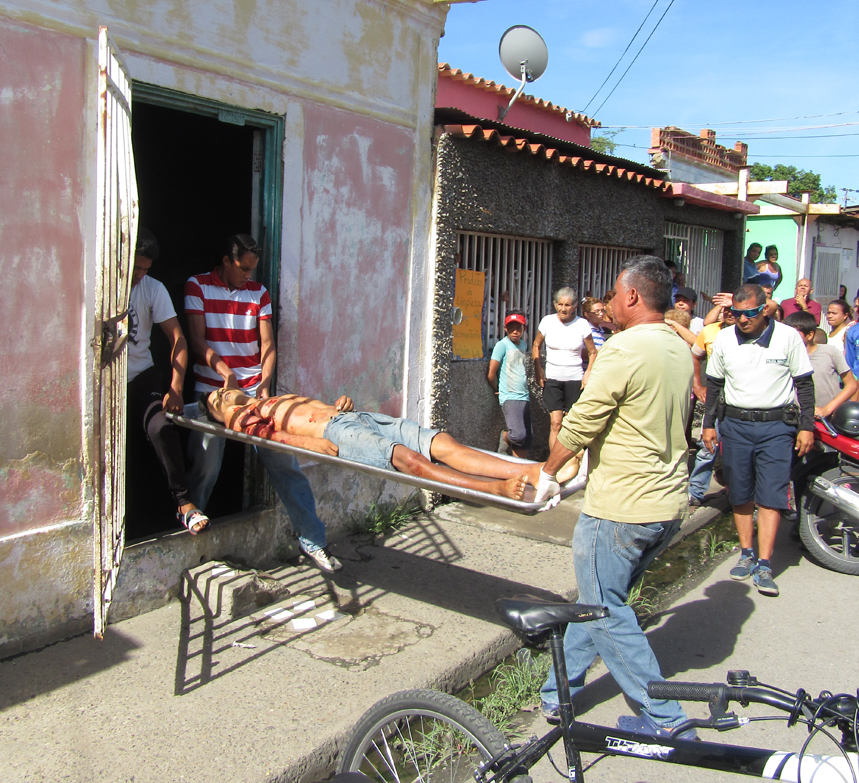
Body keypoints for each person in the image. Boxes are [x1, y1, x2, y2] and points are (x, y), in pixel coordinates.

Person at [534, 255, 697, 738]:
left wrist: (547, 473)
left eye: (611, 293)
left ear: (631, 296)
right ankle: (554, 694)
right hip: (666, 503)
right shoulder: (675, 347)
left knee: (604, 608)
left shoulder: (624, 350)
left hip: (623, 509)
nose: (606, 302)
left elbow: (582, 420)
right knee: (599, 600)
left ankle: (667, 719)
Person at [183, 234, 342, 573]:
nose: (248, 276)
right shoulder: (197, 286)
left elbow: (268, 345)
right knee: (205, 468)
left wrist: (264, 387)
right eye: (243, 269)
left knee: (286, 466)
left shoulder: (259, 294)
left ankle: (314, 541)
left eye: (252, 270)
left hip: (255, 395)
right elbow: (196, 341)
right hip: (214, 394)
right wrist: (226, 374)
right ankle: (188, 543)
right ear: (227, 260)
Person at [204, 389, 577, 501]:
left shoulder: (262, 397)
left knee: (442, 443)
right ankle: (494, 488)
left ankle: (536, 470)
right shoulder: (241, 418)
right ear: (221, 416)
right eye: (215, 401)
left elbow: (308, 409)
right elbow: (271, 436)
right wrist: (310, 447)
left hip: (353, 418)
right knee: (410, 461)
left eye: (220, 390)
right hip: (337, 436)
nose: (220, 393)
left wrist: (340, 403)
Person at [703, 284, 815, 598]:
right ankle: (746, 553)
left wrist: (807, 426)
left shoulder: (788, 337)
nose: (742, 319)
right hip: (736, 425)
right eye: (736, 313)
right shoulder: (725, 337)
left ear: (764, 309)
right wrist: (708, 424)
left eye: (749, 313)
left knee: (771, 494)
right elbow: (714, 384)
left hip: (777, 427)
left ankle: (765, 562)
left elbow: (804, 384)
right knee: (739, 492)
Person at [126, 230, 202, 533]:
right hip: (104, 380)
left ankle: (184, 504)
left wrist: (176, 386)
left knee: (162, 427)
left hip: (142, 375)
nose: (140, 275)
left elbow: (178, 339)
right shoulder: (98, 282)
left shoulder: (152, 288)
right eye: (136, 268)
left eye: (146, 269)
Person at [532, 286, 598, 451]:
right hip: (553, 377)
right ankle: (553, 463)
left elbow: (592, 352)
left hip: (575, 378)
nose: (563, 308)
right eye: (560, 304)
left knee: (571, 424)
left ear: (574, 306)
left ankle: (573, 461)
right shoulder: (547, 321)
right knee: (555, 423)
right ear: (555, 305)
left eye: (567, 305)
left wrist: (588, 372)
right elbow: (536, 345)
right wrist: (538, 368)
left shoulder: (582, 325)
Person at [689, 305, 735, 506]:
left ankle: (737, 491)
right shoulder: (709, 331)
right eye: (727, 310)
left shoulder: (753, 334)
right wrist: (697, 384)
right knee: (708, 446)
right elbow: (695, 356)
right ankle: (696, 491)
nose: (730, 314)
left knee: (736, 449)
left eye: (735, 309)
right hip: (715, 397)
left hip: (741, 400)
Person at [784, 312, 858, 416]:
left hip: (829, 419)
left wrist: (827, 409)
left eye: (795, 333)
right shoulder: (784, 357)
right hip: (796, 417)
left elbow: (851, 385)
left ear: (810, 335)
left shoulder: (830, 352)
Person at [488, 312, 533, 459]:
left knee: (526, 437)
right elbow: (491, 373)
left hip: (524, 395)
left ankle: (520, 466)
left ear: (524, 329)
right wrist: (497, 390)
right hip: (510, 396)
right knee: (518, 435)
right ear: (505, 328)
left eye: (518, 328)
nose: (515, 331)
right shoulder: (501, 345)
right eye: (511, 328)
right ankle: (506, 437)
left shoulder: (524, 345)